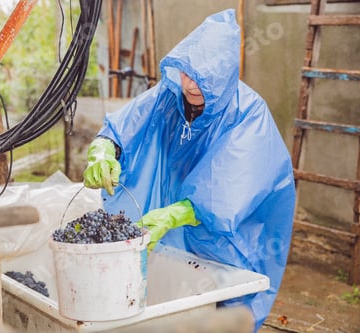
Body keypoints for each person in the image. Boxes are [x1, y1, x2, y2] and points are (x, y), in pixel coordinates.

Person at [83, 9, 295, 332]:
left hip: (228, 241)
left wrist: (171, 216)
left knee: (222, 311)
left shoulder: (249, 115)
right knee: (172, 307)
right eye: (186, 72)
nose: (191, 84)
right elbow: (123, 127)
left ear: (224, 76)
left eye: (203, 78)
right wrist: (104, 150)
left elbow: (225, 192)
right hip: (176, 241)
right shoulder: (168, 97)